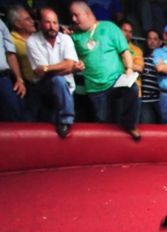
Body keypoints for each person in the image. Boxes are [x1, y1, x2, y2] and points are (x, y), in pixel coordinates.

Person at [69, 1, 140, 140]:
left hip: (115, 81)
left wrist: (130, 69)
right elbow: (69, 60)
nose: (73, 19)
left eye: (76, 15)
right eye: (72, 16)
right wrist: (75, 65)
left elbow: (125, 51)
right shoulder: (75, 36)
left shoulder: (109, 27)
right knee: (103, 125)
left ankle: (130, 125)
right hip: (94, 88)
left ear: (87, 14)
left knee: (133, 89)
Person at [27, 7, 83, 138]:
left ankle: (65, 122)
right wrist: (67, 67)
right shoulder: (32, 41)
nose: (52, 26)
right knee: (57, 80)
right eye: (48, 22)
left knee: (59, 80)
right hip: (44, 87)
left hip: (67, 88)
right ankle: (66, 120)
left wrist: (47, 67)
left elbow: (69, 64)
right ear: (40, 23)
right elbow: (41, 73)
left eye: (55, 22)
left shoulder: (65, 39)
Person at [7, 4, 36, 121]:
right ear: (18, 24)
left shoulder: (38, 36)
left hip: (45, 83)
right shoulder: (11, 40)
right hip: (28, 87)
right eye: (27, 19)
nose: (32, 22)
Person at [140, 28, 162, 124]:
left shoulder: (164, 60)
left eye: (155, 39)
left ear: (160, 42)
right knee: (147, 128)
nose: (152, 42)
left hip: (160, 100)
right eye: (150, 39)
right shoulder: (141, 59)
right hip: (146, 101)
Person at [119, 20, 143, 95]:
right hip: (116, 89)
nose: (128, 34)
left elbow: (139, 68)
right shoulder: (112, 47)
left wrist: (123, 63)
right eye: (125, 30)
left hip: (134, 89)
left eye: (130, 32)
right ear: (119, 31)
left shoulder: (137, 50)